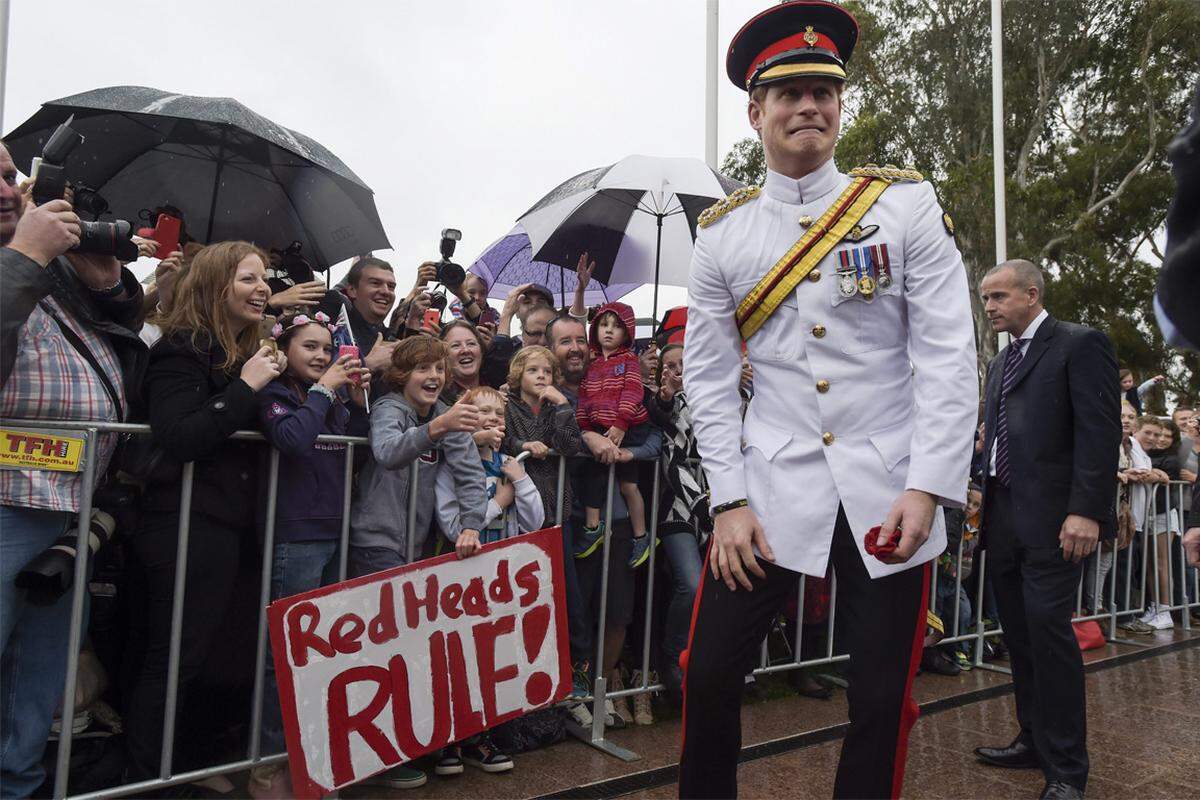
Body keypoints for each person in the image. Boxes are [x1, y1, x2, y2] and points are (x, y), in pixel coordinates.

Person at [679, 3, 978, 798]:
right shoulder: (722, 236)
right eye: (788, 92)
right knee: (707, 676)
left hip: (891, 485)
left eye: (823, 90)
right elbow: (706, 377)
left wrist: (930, 483)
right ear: (757, 110)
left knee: (881, 697)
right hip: (770, 492)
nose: (808, 104)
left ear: (840, 104)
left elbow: (948, 352)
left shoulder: (904, 206)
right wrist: (727, 500)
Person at [0, 142, 147, 798]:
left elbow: (119, 342)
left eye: (9, 175)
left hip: (67, 504)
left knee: (42, 678)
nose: (7, 190)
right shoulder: (24, 258)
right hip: (6, 503)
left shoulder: (43, 265)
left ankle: (19, 784)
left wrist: (107, 284)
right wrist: (25, 257)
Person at [122, 241, 285, 786]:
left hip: (234, 524)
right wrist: (246, 387)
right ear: (216, 285)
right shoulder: (181, 349)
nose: (263, 288)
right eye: (247, 279)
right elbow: (182, 435)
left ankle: (191, 763)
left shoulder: (247, 353)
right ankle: (147, 778)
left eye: (265, 278)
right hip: (186, 523)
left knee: (221, 654)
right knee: (175, 658)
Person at [974, 259, 1120, 800]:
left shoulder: (1079, 344)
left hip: (1057, 520)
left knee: (1050, 636)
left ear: (1031, 294)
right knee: (1020, 637)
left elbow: (1099, 432)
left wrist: (1086, 510)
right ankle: (1032, 740)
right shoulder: (1001, 362)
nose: (989, 307)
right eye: (986, 298)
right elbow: (998, 438)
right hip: (1004, 516)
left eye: (998, 297)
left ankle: (1065, 771)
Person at [345, 335, 486, 789]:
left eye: (439, 369)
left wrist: (471, 525)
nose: (433, 377)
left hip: (416, 547)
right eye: (423, 369)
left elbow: (469, 475)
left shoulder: (448, 412)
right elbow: (387, 451)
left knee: (404, 654)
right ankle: (374, 762)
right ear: (404, 376)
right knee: (380, 655)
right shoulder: (390, 407)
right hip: (375, 541)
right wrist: (438, 426)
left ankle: (396, 752)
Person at [249, 310, 369, 798]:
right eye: (310, 347)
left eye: (327, 348)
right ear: (286, 350)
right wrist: (324, 391)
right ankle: (269, 771)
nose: (322, 356)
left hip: (334, 531)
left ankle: (313, 762)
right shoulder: (275, 393)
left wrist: (356, 397)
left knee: (323, 657)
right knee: (285, 658)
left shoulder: (332, 398)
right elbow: (293, 441)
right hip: (295, 535)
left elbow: (362, 449)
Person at [574, 301, 653, 568]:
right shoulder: (592, 366)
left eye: (617, 327)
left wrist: (621, 423)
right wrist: (584, 426)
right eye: (604, 325)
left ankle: (642, 536)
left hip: (628, 428)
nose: (609, 331)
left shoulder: (629, 360)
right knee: (593, 475)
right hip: (600, 430)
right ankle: (593, 527)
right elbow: (584, 400)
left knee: (628, 485)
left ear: (627, 332)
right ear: (595, 329)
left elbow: (633, 393)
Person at [503, 346, 585, 525]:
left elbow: (570, 446)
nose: (541, 375)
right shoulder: (506, 406)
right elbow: (500, 441)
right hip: (518, 503)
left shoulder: (557, 409)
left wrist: (563, 405)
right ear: (518, 375)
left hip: (557, 501)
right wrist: (523, 446)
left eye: (547, 371)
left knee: (559, 551)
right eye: (532, 370)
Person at [321, 256, 399, 373]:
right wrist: (368, 364)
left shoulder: (389, 337)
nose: (385, 291)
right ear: (352, 290)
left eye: (391, 287)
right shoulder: (333, 324)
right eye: (375, 283)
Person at [439, 319, 486, 403]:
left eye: (471, 344)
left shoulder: (498, 391)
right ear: (444, 356)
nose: (465, 350)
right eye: (456, 345)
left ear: (481, 350)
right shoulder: (435, 399)